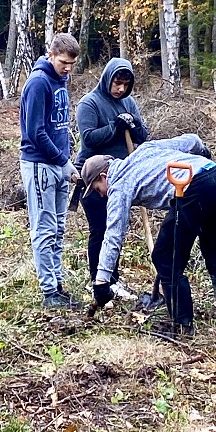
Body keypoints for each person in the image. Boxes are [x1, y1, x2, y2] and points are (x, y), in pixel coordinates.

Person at [81, 134, 216, 335]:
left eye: (97, 189)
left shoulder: (119, 185)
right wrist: (204, 155)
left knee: (165, 257)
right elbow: (193, 140)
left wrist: (101, 282)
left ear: (103, 176)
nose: (100, 195)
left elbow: (113, 236)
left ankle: (182, 328)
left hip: (193, 188)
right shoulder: (145, 150)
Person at [75, 58, 148, 299]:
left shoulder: (128, 102)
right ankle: (98, 279)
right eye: (117, 83)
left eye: (126, 85)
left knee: (116, 227)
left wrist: (134, 125)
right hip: (94, 177)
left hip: (120, 177)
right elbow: (89, 139)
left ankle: (112, 280)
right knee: (101, 228)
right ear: (108, 79)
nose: (121, 89)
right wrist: (115, 126)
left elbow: (142, 136)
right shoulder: (89, 103)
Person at [19, 33, 81, 309]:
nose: (67, 67)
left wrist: (67, 159)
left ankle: (58, 284)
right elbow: (35, 132)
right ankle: (49, 292)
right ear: (51, 55)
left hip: (60, 165)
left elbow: (59, 126)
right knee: (44, 229)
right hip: (40, 165)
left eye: (71, 63)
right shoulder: (38, 83)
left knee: (58, 228)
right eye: (63, 62)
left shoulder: (61, 82)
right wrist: (62, 161)